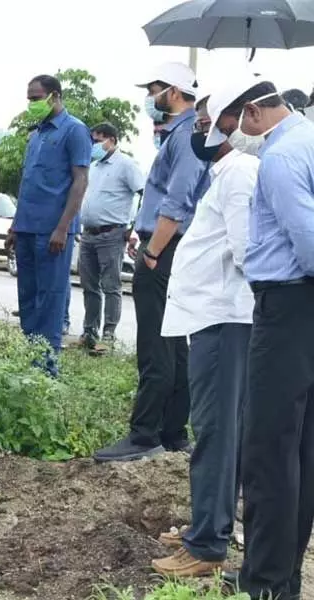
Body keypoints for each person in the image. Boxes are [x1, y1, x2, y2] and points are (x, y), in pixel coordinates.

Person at [214, 79, 314, 600]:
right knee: (300, 448)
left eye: (230, 126)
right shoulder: (310, 141)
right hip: (305, 310)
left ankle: (267, 583)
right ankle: (281, 576)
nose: (229, 138)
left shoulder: (280, 158)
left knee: (269, 451)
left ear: (252, 112)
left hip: (289, 306)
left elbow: (309, 245)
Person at [150, 91, 256, 578]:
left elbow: (246, 252)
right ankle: (206, 526)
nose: (200, 132)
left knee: (214, 430)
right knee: (218, 429)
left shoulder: (239, 175)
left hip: (224, 319)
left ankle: (207, 545)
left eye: (208, 123)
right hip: (214, 317)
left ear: (234, 123)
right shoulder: (226, 175)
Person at [94, 62, 209, 462]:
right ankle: (173, 432)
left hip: (168, 248)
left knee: (156, 342)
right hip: (168, 244)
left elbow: (177, 202)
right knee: (175, 342)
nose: (150, 98)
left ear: (174, 92)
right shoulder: (178, 135)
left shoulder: (186, 137)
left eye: (155, 90)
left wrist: (153, 249)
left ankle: (145, 434)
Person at [4, 75, 91, 376]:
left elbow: (80, 180)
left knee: (50, 297)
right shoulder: (36, 134)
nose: (31, 103)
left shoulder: (75, 130)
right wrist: (15, 225)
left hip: (52, 229)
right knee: (28, 295)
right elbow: (28, 182)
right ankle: (31, 360)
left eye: (36, 97)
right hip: (27, 226)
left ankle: (46, 370)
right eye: (28, 98)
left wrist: (63, 227)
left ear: (54, 96)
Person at [77, 123, 145, 351]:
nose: (95, 145)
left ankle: (108, 334)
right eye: (93, 141)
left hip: (112, 234)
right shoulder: (94, 167)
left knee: (111, 285)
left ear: (112, 140)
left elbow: (144, 194)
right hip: (88, 234)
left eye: (99, 140)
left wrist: (133, 229)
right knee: (89, 285)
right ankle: (89, 332)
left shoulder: (125, 165)